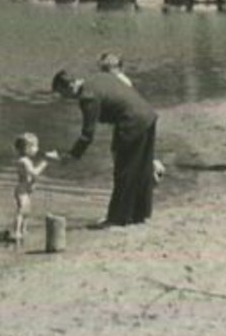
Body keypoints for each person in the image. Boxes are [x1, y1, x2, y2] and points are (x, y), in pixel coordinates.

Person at [50, 67, 159, 227]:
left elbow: (87, 135)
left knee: (124, 170)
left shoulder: (88, 97)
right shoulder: (97, 78)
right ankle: (139, 214)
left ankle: (117, 218)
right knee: (142, 168)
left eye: (62, 93)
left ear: (71, 86)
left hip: (131, 122)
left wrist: (72, 155)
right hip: (148, 115)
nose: (64, 97)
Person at [11, 132, 58, 242]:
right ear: (27, 148)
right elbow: (34, 173)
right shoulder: (23, 161)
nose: (37, 149)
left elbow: (32, 177)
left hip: (26, 190)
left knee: (27, 211)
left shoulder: (27, 160)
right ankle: (16, 231)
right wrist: (44, 162)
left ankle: (24, 229)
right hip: (21, 190)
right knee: (21, 210)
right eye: (35, 147)